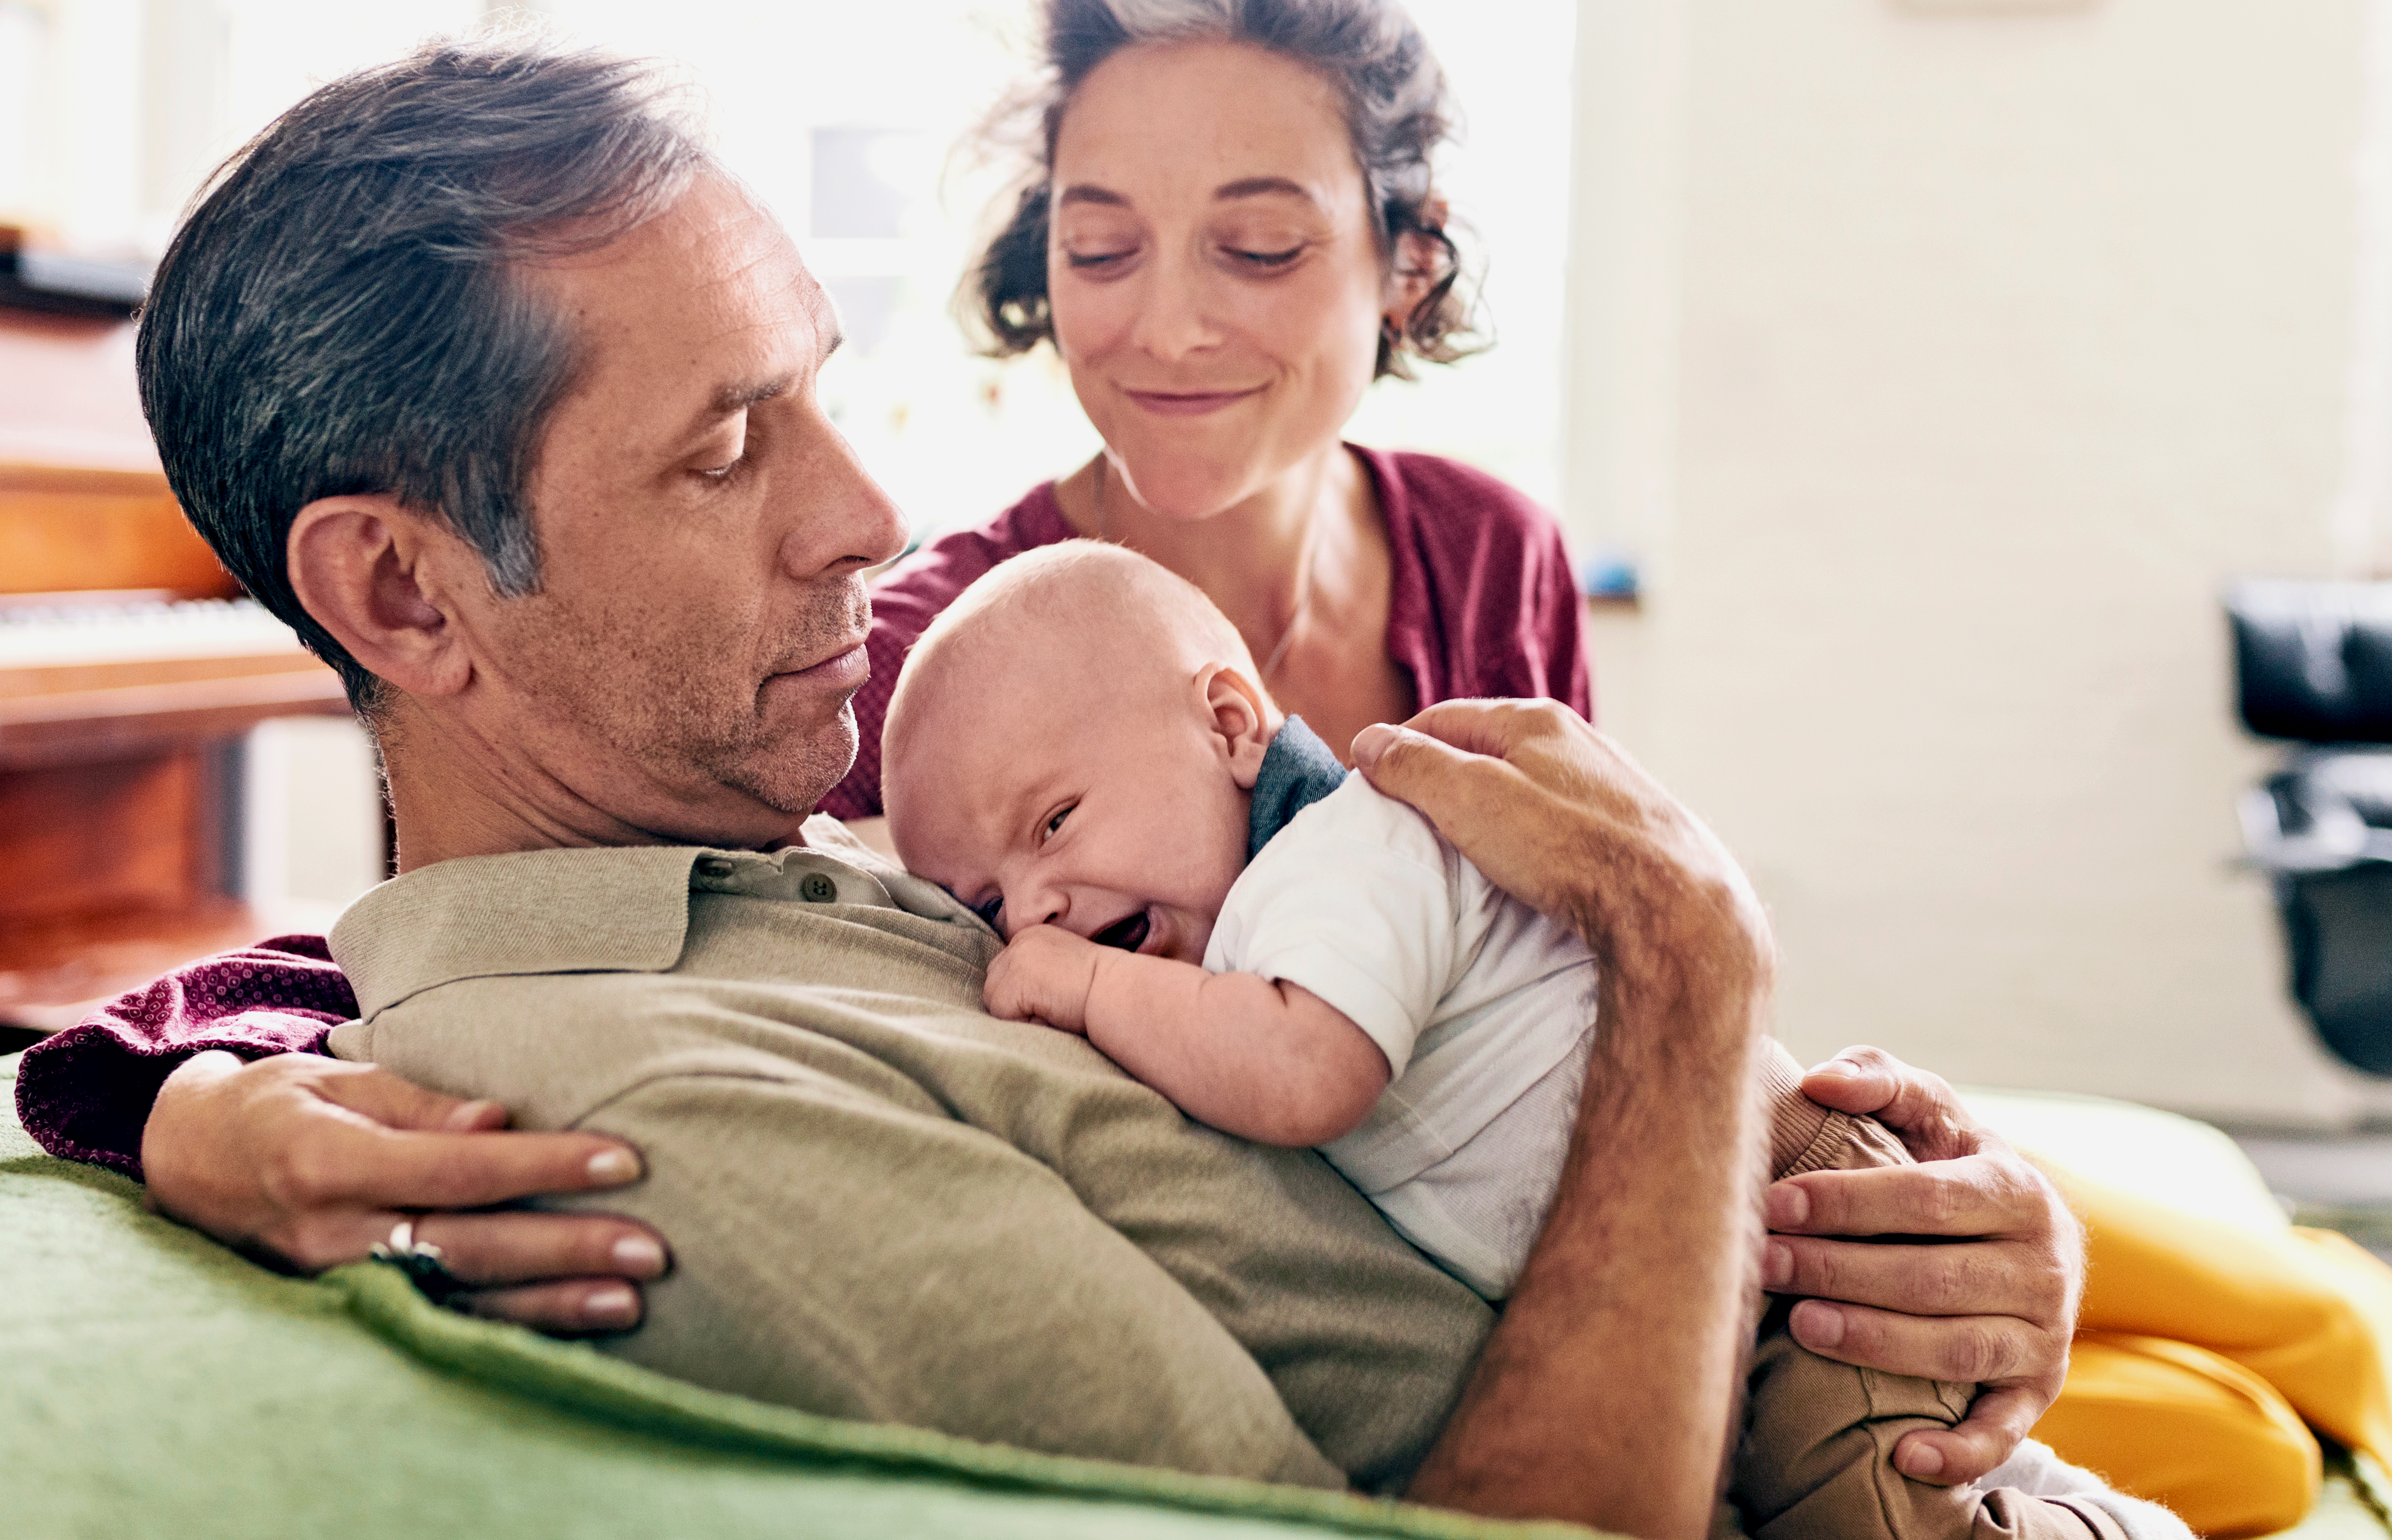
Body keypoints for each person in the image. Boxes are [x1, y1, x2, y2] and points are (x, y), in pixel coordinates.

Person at [4, 30, 2087, 1531]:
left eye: (820, 393)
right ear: (402, 588)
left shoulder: (768, 844)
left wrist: (1876, 1193)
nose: (871, 517)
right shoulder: (652, 1120)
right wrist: (1695, 969)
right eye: (728, 452)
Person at [881, 540, 2181, 1540]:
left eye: (1051, 825)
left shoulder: (1346, 852)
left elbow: (1303, 1072)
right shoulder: (1219, 929)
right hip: (1703, 1268)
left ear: (1228, 724)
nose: (1032, 911)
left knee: (1869, 1502)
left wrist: (1084, 993)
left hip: (1794, 1235)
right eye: (988, 906)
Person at [818, 0, 1584, 834]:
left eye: (1260, 249)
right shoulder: (900, 668)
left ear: (1408, 263)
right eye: (1100, 250)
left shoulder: (1495, 563)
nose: (1170, 332)